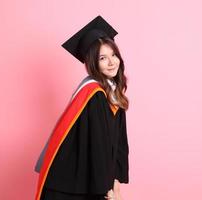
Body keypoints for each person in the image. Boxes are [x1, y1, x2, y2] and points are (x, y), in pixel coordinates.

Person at [34, 15, 129, 200]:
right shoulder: (95, 94)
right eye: (103, 58)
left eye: (113, 55)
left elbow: (119, 142)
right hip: (71, 186)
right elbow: (98, 146)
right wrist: (107, 188)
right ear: (93, 62)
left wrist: (117, 180)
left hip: (91, 180)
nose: (111, 62)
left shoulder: (112, 92)